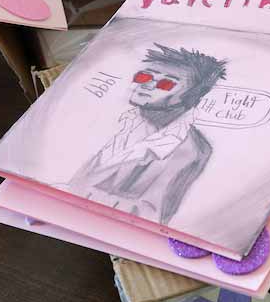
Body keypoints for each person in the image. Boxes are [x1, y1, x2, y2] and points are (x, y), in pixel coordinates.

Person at [66, 43, 227, 225]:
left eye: (165, 83)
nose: (147, 85)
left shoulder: (191, 149)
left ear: (192, 95)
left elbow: (151, 214)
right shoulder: (125, 122)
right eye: (144, 77)